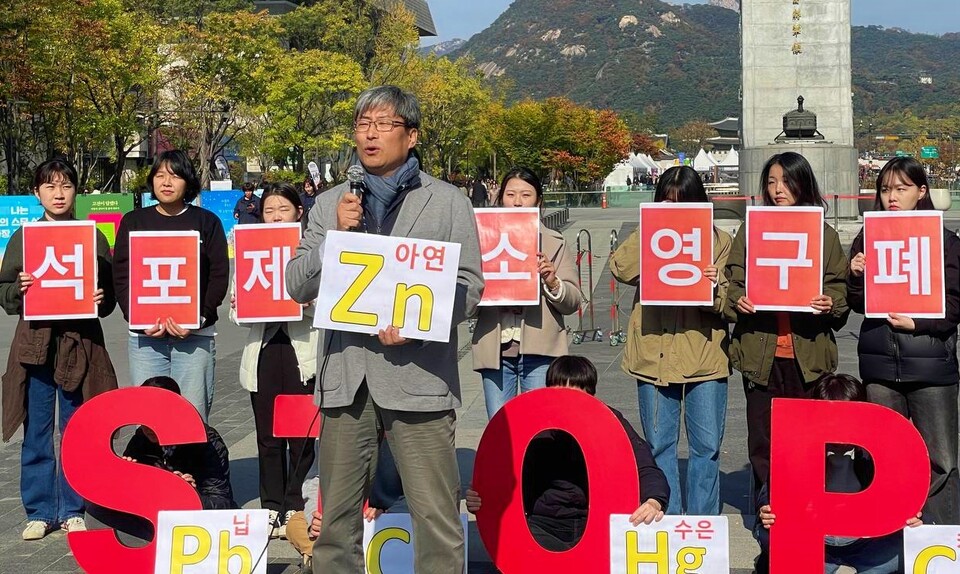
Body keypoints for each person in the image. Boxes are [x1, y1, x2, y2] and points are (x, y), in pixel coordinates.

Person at [285, 85, 484, 573]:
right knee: (336, 525)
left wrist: (419, 325)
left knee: (436, 516)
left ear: (411, 135)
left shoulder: (447, 200)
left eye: (383, 124)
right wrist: (335, 234)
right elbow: (296, 283)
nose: (370, 134)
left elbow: (469, 285)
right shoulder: (331, 202)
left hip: (419, 375)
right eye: (362, 125)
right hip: (346, 378)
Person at [0, 158, 118, 540]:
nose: (58, 193)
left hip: (79, 345)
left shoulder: (93, 236)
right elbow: (3, 293)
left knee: (75, 429)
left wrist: (102, 298)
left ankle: (72, 508)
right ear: (37, 194)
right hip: (35, 345)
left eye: (65, 185)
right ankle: (39, 510)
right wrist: (18, 288)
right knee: (36, 431)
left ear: (76, 192)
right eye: (50, 186)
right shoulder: (24, 237)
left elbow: (109, 294)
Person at [723, 151, 849, 494]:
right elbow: (732, 283)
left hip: (808, 357)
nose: (778, 189)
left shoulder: (824, 235)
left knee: (810, 439)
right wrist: (738, 300)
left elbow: (839, 288)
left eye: (787, 181)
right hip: (760, 356)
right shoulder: (751, 229)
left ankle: (806, 509)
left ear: (803, 184)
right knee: (763, 442)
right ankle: (770, 513)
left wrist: (830, 303)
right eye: (771, 182)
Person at [609, 165, 731, 515]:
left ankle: (703, 524)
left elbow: (728, 302)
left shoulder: (719, 241)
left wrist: (713, 284)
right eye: (666, 202)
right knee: (660, 444)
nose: (674, 210)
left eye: (682, 203)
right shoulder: (650, 235)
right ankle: (668, 519)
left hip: (705, 356)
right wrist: (651, 227)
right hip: (653, 353)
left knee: (706, 447)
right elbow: (621, 268)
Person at [847, 156, 960, 526]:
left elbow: (956, 304)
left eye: (901, 188)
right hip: (880, 366)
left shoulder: (944, 242)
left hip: (931, 368)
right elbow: (856, 303)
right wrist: (855, 275)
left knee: (940, 460)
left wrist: (920, 324)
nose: (891, 196)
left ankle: (939, 539)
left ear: (921, 192)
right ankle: (885, 537)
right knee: (880, 456)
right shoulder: (868, 237)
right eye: (884, 189)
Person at [465, 356, 669, 551]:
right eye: (560, 393)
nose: (568, 402)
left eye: (577, 395)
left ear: (591, 396)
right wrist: (483, 498)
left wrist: (653, 499)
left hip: (596, 522)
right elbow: (503, 473)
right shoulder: (532, 427)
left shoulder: (611, 422)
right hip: (541, 524)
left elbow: (643, 465)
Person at [753, 373, 923, 574]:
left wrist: (914, 518)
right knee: (767, 532)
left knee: (907, 545)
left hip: (866, 544)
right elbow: (768, 496)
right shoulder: (796, 449)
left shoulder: (879, 452)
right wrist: (765, 511)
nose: (839, 426)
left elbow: (904, 501)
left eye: (847, 416)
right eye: (831, 417)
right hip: (814, 542)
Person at [113, 149, 230, 422]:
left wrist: (199, 318)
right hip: (145, 339)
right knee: (150, 417)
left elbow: (218, 275)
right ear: (152, 181)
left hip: (195, 337)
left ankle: (190, 466)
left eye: (175, 176)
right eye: (160, 175)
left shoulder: (206, 222)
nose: (166, 182)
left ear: (187, 182)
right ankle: (154, 466)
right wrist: (138, 319)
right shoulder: (134, 222)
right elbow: (121, 276)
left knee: (191, 417)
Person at [233, 182, 318, 539]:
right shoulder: (250, 250)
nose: (276, 215)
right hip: (266, 348)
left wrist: (311, 302)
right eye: (270, 210)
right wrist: (249, 307)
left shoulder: (313, 251)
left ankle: (295, 504)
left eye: (284, 208)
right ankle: (271, 507)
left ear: (299, 212)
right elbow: (236, 309)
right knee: (267, 435)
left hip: (302, 351)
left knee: (300, 434)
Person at [472, 167, 581, 419]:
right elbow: (467, 301)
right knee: (502, 430)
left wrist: (553, 282)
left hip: (541, 353)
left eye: (526, 195)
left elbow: (573, 300)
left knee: (540, 429)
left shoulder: (554, 241)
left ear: (538, 201)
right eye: (510, 195)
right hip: (496, 352)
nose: (517, 202)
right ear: (500, 198)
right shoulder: (483, 241)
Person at [85, 376, 237, 545]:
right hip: (154, 521)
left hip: (195, 526)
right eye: (144, 418)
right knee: (96, 512)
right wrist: (123, 477)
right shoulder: (141, 439)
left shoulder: (208, 442)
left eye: (156, 416)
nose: (148, 428)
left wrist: (190, 495)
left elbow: (223, 502)